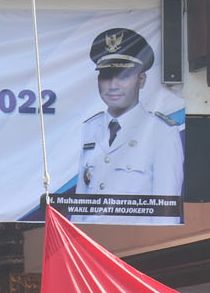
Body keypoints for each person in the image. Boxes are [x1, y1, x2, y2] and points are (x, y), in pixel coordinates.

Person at [72, 27, 184, 222]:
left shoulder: (162, 132)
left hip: (137, 240)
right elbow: (80, 205)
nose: (113, 84)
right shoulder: (90, 129)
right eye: (106, 75)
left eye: (123, 75)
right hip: (89, 244)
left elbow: (166, 211)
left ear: (141, 80)